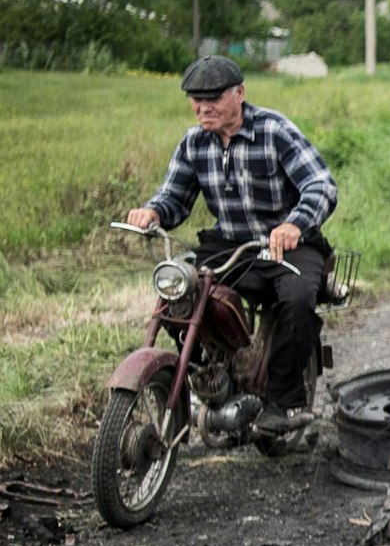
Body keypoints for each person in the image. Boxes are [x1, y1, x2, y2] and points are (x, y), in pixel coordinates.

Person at [125, 56, 338, 435]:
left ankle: (285, 402)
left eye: (214, 98)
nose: (203, 107)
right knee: (182, 293)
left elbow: (321, 185)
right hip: (230, 242)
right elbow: (174, 197)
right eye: (196, 99)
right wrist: (153, 212)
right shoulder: (194, 142)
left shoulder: (273, 130)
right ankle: (212, 370)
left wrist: (294, 223)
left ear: (239, 94)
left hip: (285, 245)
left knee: (297, 300)